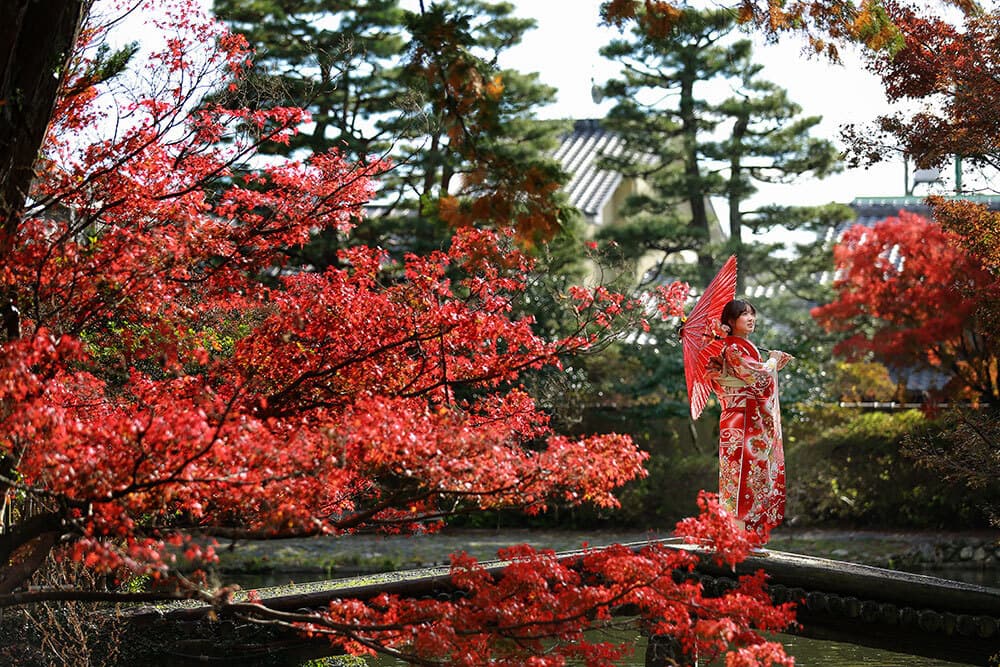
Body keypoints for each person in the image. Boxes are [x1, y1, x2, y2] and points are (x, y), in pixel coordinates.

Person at [705, 299, 792, 541]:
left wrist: (771, 364)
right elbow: (759, 378)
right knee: (744, 475)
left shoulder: (739, 348)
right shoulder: (732, 349)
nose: (751, 318)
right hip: (744, 421)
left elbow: (756, 376)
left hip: (741, 419)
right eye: (744, 315)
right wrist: (773, 361)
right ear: (730, 322)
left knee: (746, 475)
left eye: (752, 314)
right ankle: (743, 536)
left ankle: (743, 534)